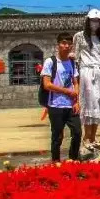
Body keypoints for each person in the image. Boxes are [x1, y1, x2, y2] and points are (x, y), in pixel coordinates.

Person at [40, 33, 81, 162]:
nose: (66, 46)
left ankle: (73, 159)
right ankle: (56, 162)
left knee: (77, 132)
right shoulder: (50, 62)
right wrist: (67, 91)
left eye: (69, 44)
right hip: (55, 105)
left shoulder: (72, 63)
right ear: (58, 45)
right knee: (57, 136)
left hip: (71, 106)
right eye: (63, 43)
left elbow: (76, 82)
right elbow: (47, 84)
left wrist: (76, 101)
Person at [74, 8, 100, 153]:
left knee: (98, 104)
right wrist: (76, 78)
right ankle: (86, 137)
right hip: (87, 72)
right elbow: (76, 57)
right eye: (92, 20)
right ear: (88, 21)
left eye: (97, 21)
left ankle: (93, 137)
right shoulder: (79, 36)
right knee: (89, 103)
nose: (95, 23)